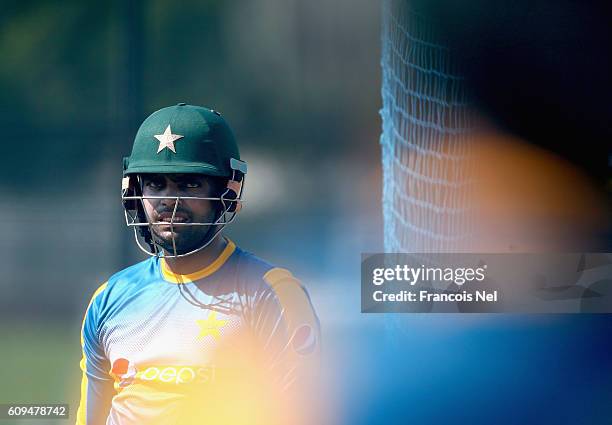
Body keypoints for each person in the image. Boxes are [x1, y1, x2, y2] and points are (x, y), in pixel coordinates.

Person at [76, 103, 320, 425]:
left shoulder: (273, 294)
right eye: (155, 183)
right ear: (134, 191)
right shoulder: (109, 299)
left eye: (189, 184)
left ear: (227, 192)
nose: (168, 200)